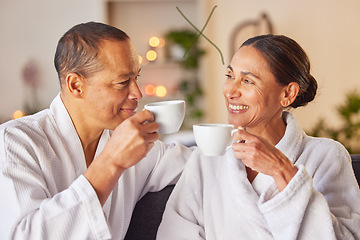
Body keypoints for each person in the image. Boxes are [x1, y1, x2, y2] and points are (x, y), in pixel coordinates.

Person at [0, 22, 193, 239]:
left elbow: (199, 164)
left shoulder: (130, 144)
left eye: (136, 78)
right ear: (76, 85)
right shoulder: (15, 142)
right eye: (122, 82)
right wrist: (111, 162)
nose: (137, 93)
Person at [157, 34, 360, 239]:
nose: (230, 91)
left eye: (247, 80)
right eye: (229, 76)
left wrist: (283, 172)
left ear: (288, 93)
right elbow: (174, 234)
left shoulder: (327, 156)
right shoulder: (206, 160)